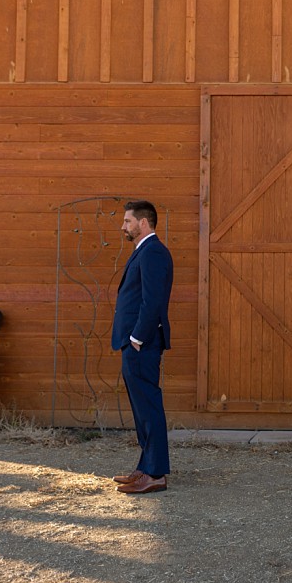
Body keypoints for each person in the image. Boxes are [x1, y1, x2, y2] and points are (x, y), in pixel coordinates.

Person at [110, 200, 174, 494]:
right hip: (134, 342)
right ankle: (145, 466)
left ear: (143, 223)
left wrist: (136, 338)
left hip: (141, 343)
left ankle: (156, 474)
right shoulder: (143, 251)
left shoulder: (154, 253)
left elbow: (152, 301)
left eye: (127, 221)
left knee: (148, 405)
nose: (123, 226)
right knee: (141, 408)